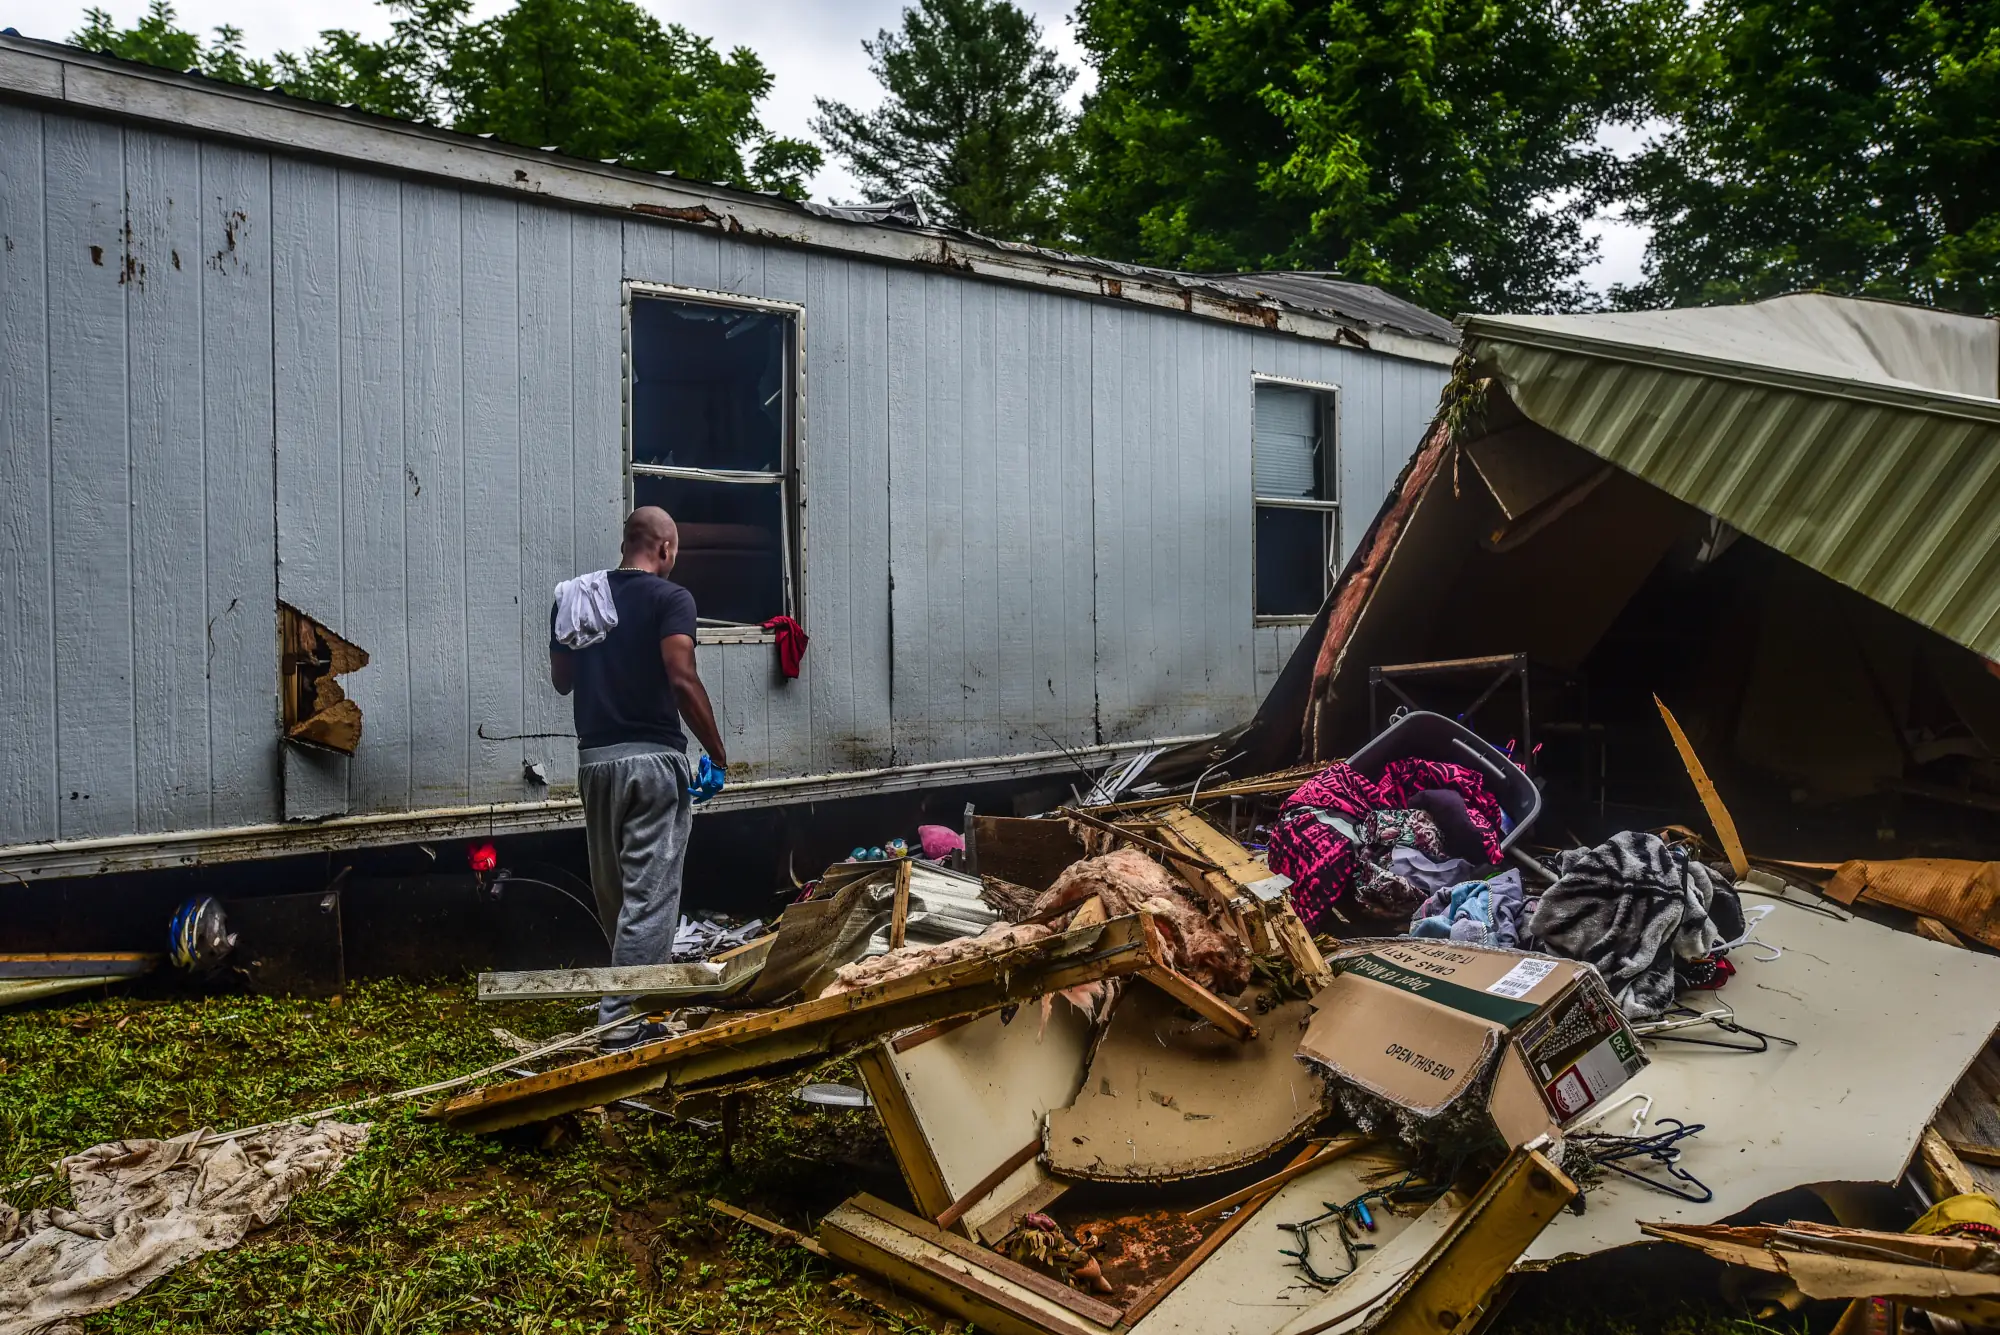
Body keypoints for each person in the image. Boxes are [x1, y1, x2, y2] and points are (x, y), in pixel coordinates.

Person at [550, 506, 727, 1049]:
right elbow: (681, 677)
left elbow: (562, 682)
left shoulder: (576, 597)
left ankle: (632, 1001)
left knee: (618, 895)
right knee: (650, 897)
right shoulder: (672, 599)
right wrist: (718, 754)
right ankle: (621, 1022)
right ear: (667, 549)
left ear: (627, 541)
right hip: (653, 760)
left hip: (596, 761)